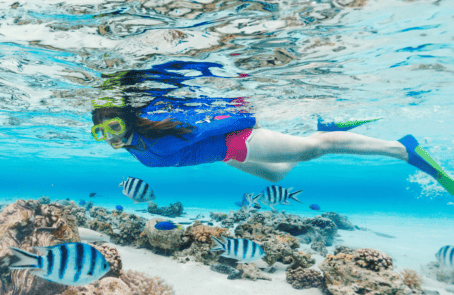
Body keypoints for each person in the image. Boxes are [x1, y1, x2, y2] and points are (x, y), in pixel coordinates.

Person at [91, 62, 454, 195]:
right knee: (277, 177)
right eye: (101, 131)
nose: (110, 135)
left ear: (128, 117)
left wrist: (246, 116)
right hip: (226, 155)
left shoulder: (160, 128)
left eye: (115, 124)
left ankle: (404, 148)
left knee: (314, 149)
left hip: (239, 141)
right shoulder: (139, 145)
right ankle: (328, 126)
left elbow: (204, 130)